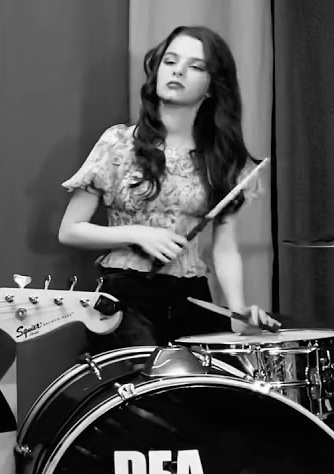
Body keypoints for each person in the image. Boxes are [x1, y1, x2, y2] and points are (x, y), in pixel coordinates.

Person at [58, 25, 279, 353]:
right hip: (126, 297)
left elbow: (224, 247)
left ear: (211, 87)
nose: (178, 71)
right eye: (170, 61)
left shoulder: (220, 158)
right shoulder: (118, 143)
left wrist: (238, 312)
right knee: (149, 381)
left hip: (192, 295)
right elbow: (70, 230)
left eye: (195, 66)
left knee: (210, 381)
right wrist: (137, 233)